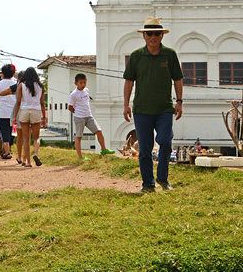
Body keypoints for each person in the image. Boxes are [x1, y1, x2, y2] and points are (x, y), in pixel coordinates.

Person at [123, 17, 183, 194]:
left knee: (165, 141)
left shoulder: (170, 55)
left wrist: (179, 102)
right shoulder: (136, 56)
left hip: (165, 108)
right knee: (145, 149)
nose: (153, 37)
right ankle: (147, 184)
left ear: (162, 36)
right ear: (144, 36)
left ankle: (163, 179)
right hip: (142, 110)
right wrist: (126, 104)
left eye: (157, 33)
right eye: (149, 33)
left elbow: (178, 79)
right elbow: (129, 81)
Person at [68, 73, 114, 160]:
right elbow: (70, 107)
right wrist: (77, 112)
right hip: (79, 118)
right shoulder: (73, 94)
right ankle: (81, 157)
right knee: (79, 137)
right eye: (81, 83)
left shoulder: (86, 90)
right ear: (76, 83)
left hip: (89, 116)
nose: (83, 85)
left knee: (99, 131)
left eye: (84, 82)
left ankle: (104, 150)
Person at [12, 67, 47, 167]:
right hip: (36, 111)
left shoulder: (22, 85)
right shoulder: (41, 86)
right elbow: (42, 103)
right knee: (36, 137)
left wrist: (15, 117)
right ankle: (35, 154)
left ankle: (28, 162)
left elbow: (18, 102)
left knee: (26, 139)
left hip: (24, 111)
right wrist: (44, 117)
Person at [0, 64, 17, 159]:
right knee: (12, 132)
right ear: (13, 73)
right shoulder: (17, 83)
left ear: (2, 74)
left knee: (4, 132)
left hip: (1, 113)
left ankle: (6, 152)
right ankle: (9, 149)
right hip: (15, 113)